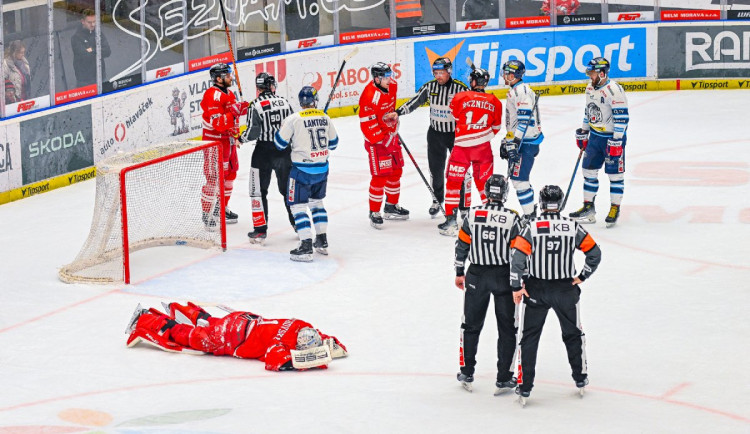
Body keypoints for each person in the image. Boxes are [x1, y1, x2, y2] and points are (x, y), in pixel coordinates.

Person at [509, 185, 602, 405]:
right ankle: (580, 378)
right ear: (560, 204)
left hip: (536, 289)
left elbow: (517, 259)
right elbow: (594, 253)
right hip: (565, 290)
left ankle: (524, 385)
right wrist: (582, 277)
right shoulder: (572, 226)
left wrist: (516, 286)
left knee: (529, 338)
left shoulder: (531, 226)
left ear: (541, 203)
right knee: (573, 334)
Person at [126, 301, 348, 371]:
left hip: (243, 319)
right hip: (230, 337)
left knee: (211, 322)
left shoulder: (301, 325)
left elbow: (324, 338)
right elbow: (275, 362)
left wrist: (328, 346)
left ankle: (183, 309)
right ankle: (146, 319)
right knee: (188, 336)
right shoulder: (280, 345)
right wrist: (314, 361)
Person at [454, 174, 522, 394]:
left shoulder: (473, 214)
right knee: (507, 329)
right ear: (504, 194)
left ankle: (466, 371)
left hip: (477, 275)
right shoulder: (512, 217)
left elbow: (461, 245)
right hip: (503, 276)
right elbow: (517, 254)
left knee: (470, 325)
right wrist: (517, 283)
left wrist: (458, 271)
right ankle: (504, 377)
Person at [394, 57, 470, 218]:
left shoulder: (460, 89)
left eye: (441, 72)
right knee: (436, 170)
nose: (438, 76)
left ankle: (463, 206)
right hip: (435, 134)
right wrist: (398, 112)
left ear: (449, 71)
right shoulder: (430, 87)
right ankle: (437, 200)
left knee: (459, 171)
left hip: (455, 136)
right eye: (436, 73)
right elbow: (415, 102)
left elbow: (471, 108)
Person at [274, 86, 338, 261]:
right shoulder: (325, 117)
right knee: (317, 203)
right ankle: (322, 241)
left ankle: (306, 245)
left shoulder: (293, 119)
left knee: (297, 206)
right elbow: (334, 144)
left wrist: (281, 133)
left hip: (301, 171)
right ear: (315, 101)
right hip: (322, 169)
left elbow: (279, 144)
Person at [438, 68, 502, 236]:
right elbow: (496, 128)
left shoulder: (461, 97)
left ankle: (451, 221)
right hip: (483, 149)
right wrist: (481, 135)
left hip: (462, 148)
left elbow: (456, 116)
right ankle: (491, 220)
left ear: (473, 81)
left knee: (453, 183)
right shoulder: (495, 101)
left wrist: (469, 131)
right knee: (485, 185)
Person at [568, 57, 629, 227]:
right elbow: (588, 112)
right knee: (588, 171)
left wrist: (617, 140)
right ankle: (589, 208)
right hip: (595, 137)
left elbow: (622, 118)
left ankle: (614, 208)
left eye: (593, 72)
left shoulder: (614, 90)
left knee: (615, 174)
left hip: (611, 139)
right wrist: (583, 131)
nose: (590, 75)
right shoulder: (590, 88)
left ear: (602, 73)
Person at [240, 72, 296, 243]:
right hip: (283, 150)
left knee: (258, 191)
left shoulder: (255, 105)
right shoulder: (284, 102)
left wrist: (240, 138)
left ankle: (260, 230)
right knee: (289, 190)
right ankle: (298, 224)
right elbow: (293, 125)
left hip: (263, 152)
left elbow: (252, 132)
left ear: (258, 88)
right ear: (272, 86)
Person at [358, 62, 410, 229]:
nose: (390, 79)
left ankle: (391, 206)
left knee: (396, 171)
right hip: (377, 142)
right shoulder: (369, 95)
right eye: (386, 77)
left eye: (390, 75)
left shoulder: (392, 86)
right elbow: (366, 124)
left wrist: (393, 124)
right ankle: (374, 211)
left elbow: (390, 109)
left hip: (391, 137)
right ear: (377, 78)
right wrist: (382, 139)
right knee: (380, 176)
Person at [200, 63, 248, 229]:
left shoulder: (229, 93)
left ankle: (221, 209)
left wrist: (236, 134)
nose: (230, 77)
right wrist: (234, 111)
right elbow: (218, 124)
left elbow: (232, 119)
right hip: (215, 144)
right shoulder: (212, 95)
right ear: (218, 79)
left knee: (230, 176)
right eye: (227, 75)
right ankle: (207, 214)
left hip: (228, 142)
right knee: (214, 179)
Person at [499, 60, 544, 223]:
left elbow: (525, 121)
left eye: (506, 73)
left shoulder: (520, 91)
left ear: (512, 75)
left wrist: (515, 142)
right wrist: (508, 140)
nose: (503, 76)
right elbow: (517, 122)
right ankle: (530, 210)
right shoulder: (517, 90)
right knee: (520, 179)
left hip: (526, 143)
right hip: (524, 141)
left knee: (519, 180)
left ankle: (530, 216)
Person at [71, 9, 111, 88]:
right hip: (84, 79)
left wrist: (92, 49)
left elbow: (107, 51)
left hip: (100, 75)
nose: (93, 24)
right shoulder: (76, 38)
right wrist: (98, 49)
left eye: (94, 21)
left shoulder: (99, 33)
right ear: (83, 21)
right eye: (89, 22)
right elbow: (84, 56)